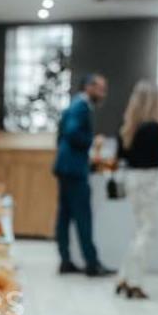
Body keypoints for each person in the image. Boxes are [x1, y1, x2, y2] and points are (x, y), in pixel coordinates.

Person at [53, 73, 113, 277]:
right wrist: (91, 142)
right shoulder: (81, 107)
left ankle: (65, 259)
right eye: (100, 88)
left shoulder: (74, 105)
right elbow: (71, 133)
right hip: (75, 169)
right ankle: (91, 263)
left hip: (65, 166)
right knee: (82, 216)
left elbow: (62, 133)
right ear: (88, 87)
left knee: (65, 215)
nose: (103, 93)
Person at [114, 80, 158, 299]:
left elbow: (122, 156)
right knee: (147, 231)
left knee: (138, 230)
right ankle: (135, 281)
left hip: (132, 178)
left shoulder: (128, 126)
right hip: (149, 180)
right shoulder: (153, 127)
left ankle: (124, 277)